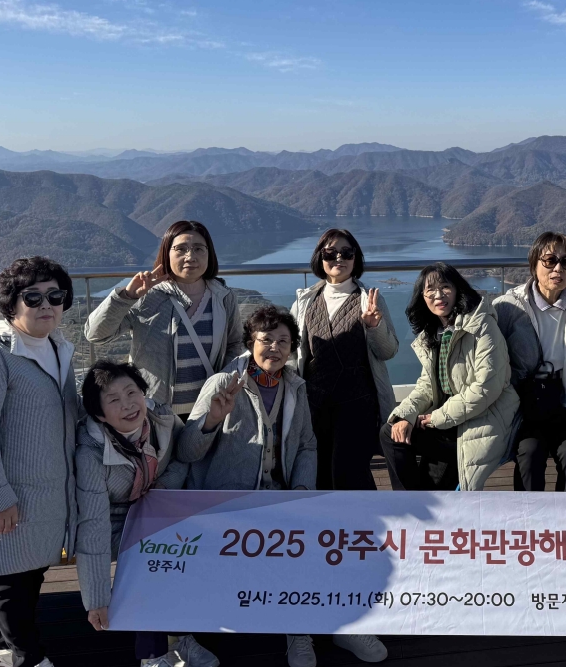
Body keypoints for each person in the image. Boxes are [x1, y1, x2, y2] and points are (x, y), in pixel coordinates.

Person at [177, 306, 385, 666]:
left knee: (332, 534)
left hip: (280, 492)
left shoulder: (295, 387)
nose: (274, 347)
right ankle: (299, 631)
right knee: (291, 542)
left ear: (293, 348)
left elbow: (306, 445)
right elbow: (187, 450)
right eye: (266, 340)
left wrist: (303, 492)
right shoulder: (224, 383)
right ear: (249, 343)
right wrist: (212, 419)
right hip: (229, 500)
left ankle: (342, 623)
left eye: (283, 341)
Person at [0, 257, 79, 667]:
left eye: (55, 296)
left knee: (29, 575)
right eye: (33, 297)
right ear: (11, 303)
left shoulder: (58, 348)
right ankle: (28, 656)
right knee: (9, 581)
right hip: (7, 497)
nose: (47, 304)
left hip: (43, 494)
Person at [74, 361, 213, 667]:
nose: (127, 405)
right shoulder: (91, 453)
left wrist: (162, 485)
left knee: (189, 551)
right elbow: (93, 526)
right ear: (100, 414)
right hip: (114, 524)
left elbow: (182, 459)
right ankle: (153, 655)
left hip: (156, 510)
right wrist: (97, 599)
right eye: (113, 400)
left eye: (131, 392)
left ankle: (179, 636)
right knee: (152, 558)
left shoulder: (160, 418)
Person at [381, 263, 520, 491]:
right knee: (392, 431)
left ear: (457, 290)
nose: (438, 296)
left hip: (480, 421)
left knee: (433, 490)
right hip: (446, 421)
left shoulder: (482, 326)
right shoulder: (433, 332)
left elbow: (485, 389)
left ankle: (413, 505)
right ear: (422, 297)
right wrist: (406, 415)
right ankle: (409, 501)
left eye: (445, 287)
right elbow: (427, 386)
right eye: (430, 291)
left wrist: (436, 418)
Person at [84, 220, 245, 413]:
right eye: (181, 249)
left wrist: (223, 382)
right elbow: (96, 335)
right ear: (166, 254)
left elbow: (235, 344)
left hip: (207, 410)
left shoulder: (223, 297)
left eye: (198, 249)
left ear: (209, 254)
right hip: (155, 411)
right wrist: (127, 297)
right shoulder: (147, 296)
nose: (190, 256)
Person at [289, 229, 399, 491]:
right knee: (319, 472)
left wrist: (374, 327)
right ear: (320, 257)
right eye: (330, 252)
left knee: (349, 473)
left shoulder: (369, 299)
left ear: (355, 258)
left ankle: (366, 530)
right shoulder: (306, 300)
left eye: (346, 253)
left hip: (357, 402)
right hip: (315, 402)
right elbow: (294, 354)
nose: (339, 258)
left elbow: (388, 351)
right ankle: (330, 531)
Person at [494, 232, 566, 492]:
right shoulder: (507, 307)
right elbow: (491, 362)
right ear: (534, 264)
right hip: (524, 406)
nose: (558, 268)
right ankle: (529, 525)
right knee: (529, 453)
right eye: (549, 260)